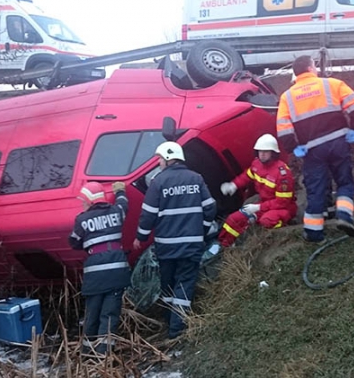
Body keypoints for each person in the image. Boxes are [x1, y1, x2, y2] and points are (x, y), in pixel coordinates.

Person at [276, 55, 354, 242]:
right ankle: (344, 216)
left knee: (316, 189)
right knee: (345, 182)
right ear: (311, 68)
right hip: (338, 142)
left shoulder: (287, 97)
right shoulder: (332, 84)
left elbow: (283, 128)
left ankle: (314, 233)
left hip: (312, 150)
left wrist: (294, 147)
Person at [133, 141, 216, 339]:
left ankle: (171, 324)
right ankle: (176, 328)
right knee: (185, 283)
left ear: (169, 159)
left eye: (160, 159)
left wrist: (140, 238)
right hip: (191, 245)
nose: (159, 163)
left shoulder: (158, 182)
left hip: (166, 247)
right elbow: (210, 209)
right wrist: (202, 231)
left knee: (168, 285)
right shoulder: (196, 179)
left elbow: (148, 215)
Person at [68, 181, 131, 355]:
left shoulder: (82, 219)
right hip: (117, 271)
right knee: (110, 314)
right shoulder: (117, 212)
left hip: (95, 274)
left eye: (84, 200)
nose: (82, 203)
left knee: (92, 313)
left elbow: (73, 241)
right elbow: (124, 203)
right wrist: (120, 191)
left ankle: (87, 353)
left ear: (90, 200)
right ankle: (104, 355)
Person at [217, 133, 297, 247]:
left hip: (283, 207)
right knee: (233, 219)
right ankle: (223, 245)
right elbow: (247, 176)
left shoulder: (282, 174)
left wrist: (257, 208)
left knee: (266, 221)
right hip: (264, 205)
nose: (262, 154)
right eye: (260, 151)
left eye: (265, 152)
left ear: (273, 153)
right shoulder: (257, 165)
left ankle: (285, 224)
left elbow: (282, 202)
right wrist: (233, 185)